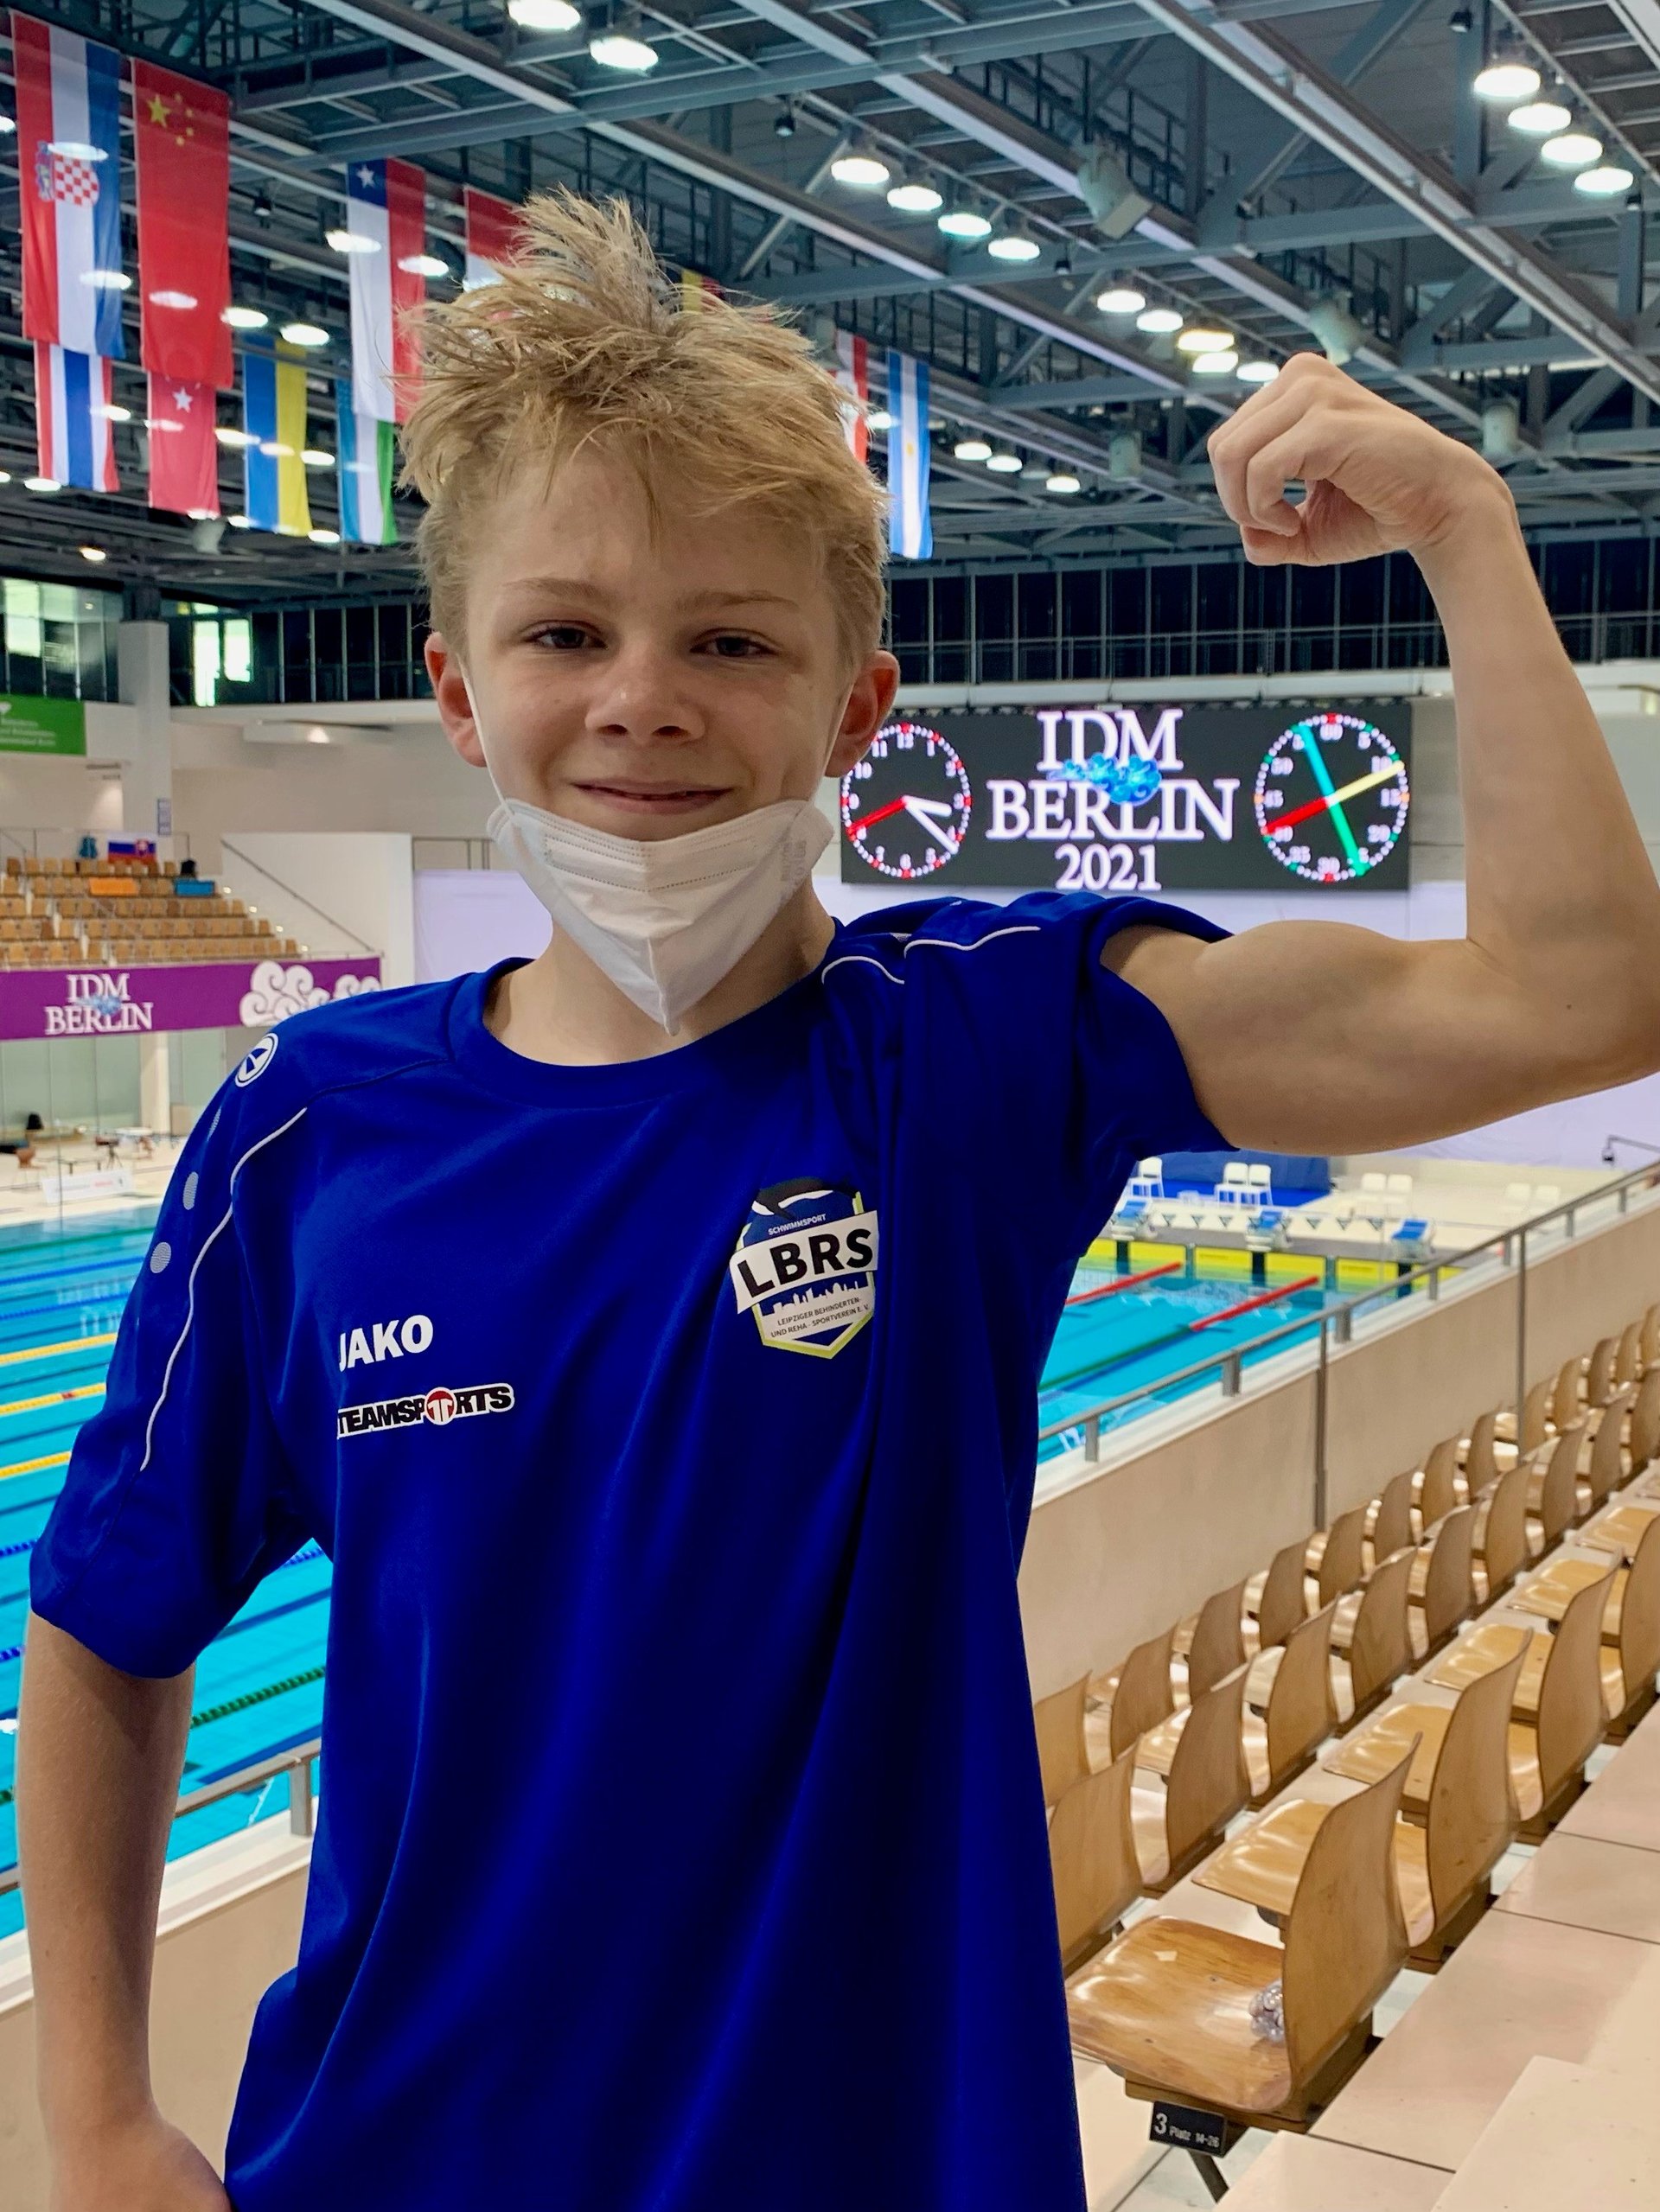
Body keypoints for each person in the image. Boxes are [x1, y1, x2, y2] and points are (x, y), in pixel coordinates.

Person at [16, 193, 1660, 2212]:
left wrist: (1465, 525)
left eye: (730, 639)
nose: (643, 697)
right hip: (395, 2159)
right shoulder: (306, 1133)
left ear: (857, 707)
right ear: (456, 689)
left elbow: (1577, 999)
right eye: (565, 632)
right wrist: (97, 2115)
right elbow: (103, 1620)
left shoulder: (976, 1048)